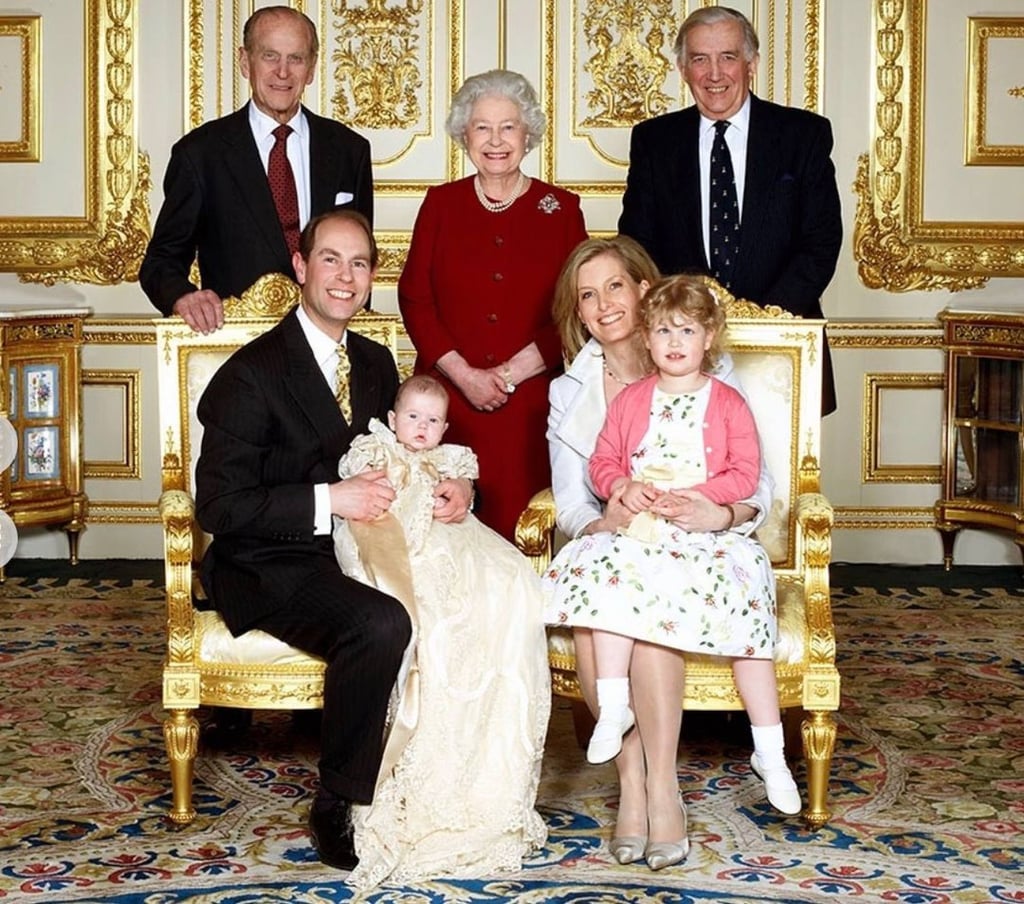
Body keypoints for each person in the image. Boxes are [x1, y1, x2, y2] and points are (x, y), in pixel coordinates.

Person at [193, 209, 472, 872]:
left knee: (477, 594)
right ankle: (339, 800)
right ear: (300, 266)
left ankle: (447, 779)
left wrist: (455, 488)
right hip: (269, 559)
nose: (345, 277)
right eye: (330, 259)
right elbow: (220, 505)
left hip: (363, 542)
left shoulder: (377, 362)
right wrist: (331, 501)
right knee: (380, 623)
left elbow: (412, 447)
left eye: (360, 263)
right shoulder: (251, 374)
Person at [544, 275, 801, 871]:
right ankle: (619, 731)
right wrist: (620, 492)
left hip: (700, 532)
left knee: (657, 611)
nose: (673, 341)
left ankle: (672, 787)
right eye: (663, 331)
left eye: (685, 331)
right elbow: (594, 473)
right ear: (646, 333)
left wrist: (710, 505)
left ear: (707, 337)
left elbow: (749, 475)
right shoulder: (612, 396)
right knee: (601, 582)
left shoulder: (725, 395)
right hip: (635, 531)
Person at [331, 374, 551, 889]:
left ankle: (481, 774)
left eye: (432, 421)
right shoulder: (375, 448)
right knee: (425, 606)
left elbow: (461, 498)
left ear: (445, 427)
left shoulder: (451, 459)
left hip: (447, 538)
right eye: (412, 418)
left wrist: (459, 493)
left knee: (507, 580)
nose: (422, 429)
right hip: (386, 539)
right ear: (392, 420)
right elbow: (356, 488)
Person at [618, 5, 842, 414]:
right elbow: (638, 247)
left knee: (781, 474)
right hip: (681, 354)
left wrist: (761, 321)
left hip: (783, 345)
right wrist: (684, 326)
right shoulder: (654, 141)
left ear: (751, 63)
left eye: (728, 57)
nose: (715, 74)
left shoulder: (803, 135)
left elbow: (821, 241)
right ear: (683, 69)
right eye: (700, 59)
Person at [399, 68, 589, 541]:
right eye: (482, 127)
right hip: (445, 409)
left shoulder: (561, 210)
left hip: (528, 410)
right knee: (446, 532)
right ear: (465, 135)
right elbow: (415, 298)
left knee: (521, 532)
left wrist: (505, 377)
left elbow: (575, 310)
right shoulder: (440, 204)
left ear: (529, 135)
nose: (496, 140)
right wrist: (465, 376)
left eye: (508, 126)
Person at [140, 5, 373, 335]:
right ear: (244, 61)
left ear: (311, 68)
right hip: (238, 347)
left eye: (296, 58)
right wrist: (183, 297)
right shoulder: (200, 153)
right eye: (269, 56)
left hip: (329, 345)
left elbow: (360, 257)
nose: (283, 72)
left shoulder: (350, 150)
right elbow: (160, 262)